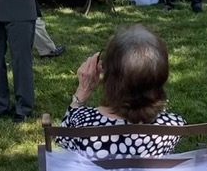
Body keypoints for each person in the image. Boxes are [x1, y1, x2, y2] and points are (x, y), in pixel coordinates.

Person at [57, 24, 186, 159]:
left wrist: (82, 91)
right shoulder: (173, 126)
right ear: (160, 78)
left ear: (110, 76)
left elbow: (63, 142)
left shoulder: (81, 123)